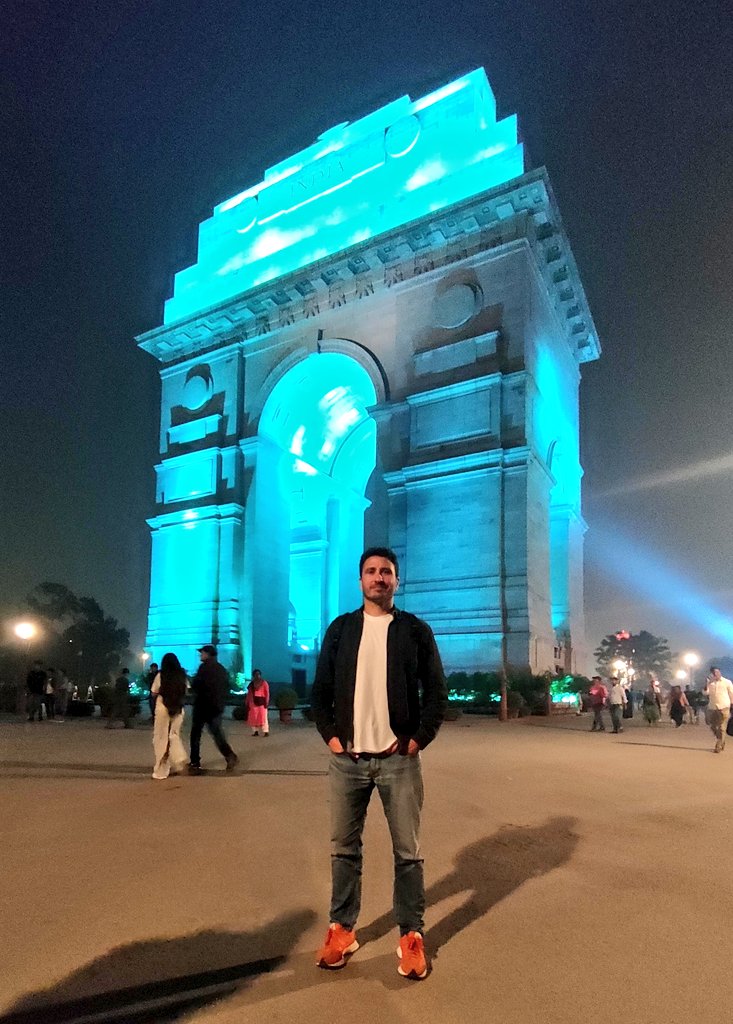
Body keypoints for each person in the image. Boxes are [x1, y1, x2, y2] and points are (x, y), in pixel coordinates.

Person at [311, 546, 447, 981]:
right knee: (343, 850)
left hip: (397, 760)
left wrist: (418, 740)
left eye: (386, 571)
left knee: (408, 853)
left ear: (396, 580)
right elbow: (320, 690)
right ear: (360, 580)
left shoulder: (415, 630)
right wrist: (331, 736)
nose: (378, 578)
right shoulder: (340, 629)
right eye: (370, 571)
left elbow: (436, 691)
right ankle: (342, 929)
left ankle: (411, 935)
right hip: (347, 761)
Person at [188, 644, 238, 772]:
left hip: (202, 706)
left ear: (208, 654)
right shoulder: (221, 669)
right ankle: (230, 755)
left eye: (202, 653)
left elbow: (197, 685)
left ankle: (195, 762)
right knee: (217, 734)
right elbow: (226, 687)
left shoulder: (204, 668)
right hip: (216, 707)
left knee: (195, 735)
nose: (200, 655)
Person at [151, 653, 189, 779]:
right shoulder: (182, 675)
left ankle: (161, 771)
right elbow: (186, 690)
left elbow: (154, 692)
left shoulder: (161, 675)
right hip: (178, 707)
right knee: (174, 735)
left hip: (162, 706)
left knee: (160, 737)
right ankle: (179, 758)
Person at [703, 667, 733, 753]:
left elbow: (731, 693)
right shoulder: (710, 683)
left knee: (722, 726)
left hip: (724, 707)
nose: (716, 674)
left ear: (720, 672)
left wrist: (732, 705)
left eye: (717, 672)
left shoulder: (727, 682)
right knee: (712, 726)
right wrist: (707, 683)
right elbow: (705, 693)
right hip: (712, 707)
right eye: (713, 673)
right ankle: (721, 739)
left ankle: (718, 745)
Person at [246, 669, 270, 736]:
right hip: (253, 703)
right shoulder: (251, 684)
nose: (257, 675)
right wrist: (247, 702)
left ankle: (266, 731)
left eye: (258, 674)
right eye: (256, 674)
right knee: (254, 717)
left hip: (262, 703)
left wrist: (267, 702)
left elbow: (267, 693)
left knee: (263, 717)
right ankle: (255, 731)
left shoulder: (264, 683)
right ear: (253, 675)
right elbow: (249, 694)